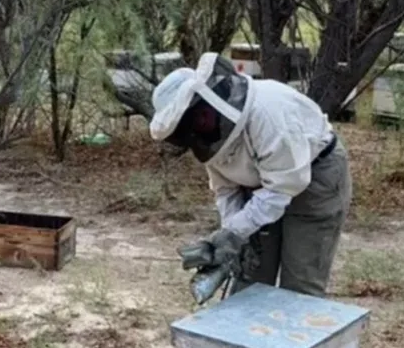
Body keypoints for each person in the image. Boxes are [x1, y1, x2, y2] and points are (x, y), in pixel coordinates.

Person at [149, 52, 352, 298]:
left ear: (210, 97)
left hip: (314, 175)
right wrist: (231, 235)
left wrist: (235, 232)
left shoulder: (268, 114)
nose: (199, 125)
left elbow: (280, 191)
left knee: (300, 288)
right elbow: (226, 189)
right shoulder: (208, 137)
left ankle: (293, 334)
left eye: (199, 117)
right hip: (263, 188)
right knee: (251, 280)